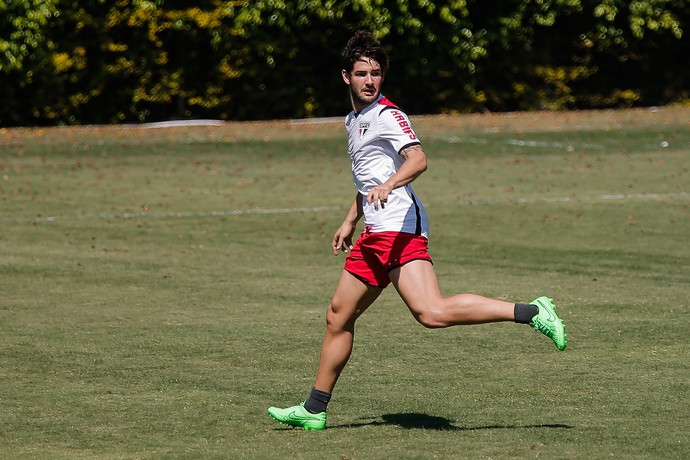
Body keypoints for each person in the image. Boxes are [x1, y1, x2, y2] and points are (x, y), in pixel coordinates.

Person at [267, 29, 566, 431]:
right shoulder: (354, 120)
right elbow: (368, 179)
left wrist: (391, 185)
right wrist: (350, 219)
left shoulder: (389, 115)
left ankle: (532, 311)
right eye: (361, 73)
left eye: (375, 73)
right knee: (338, 315)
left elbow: (418, 159)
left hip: (400, 229)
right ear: (345, 77)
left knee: (432, 313)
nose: (369, 80)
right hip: (374, 233)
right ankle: (315, 408)